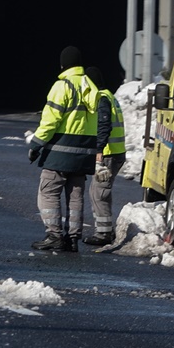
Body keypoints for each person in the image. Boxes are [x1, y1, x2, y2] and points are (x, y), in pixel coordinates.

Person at [29, 45, 101, 252]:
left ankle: (54, 235)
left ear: (63, 64)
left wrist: (36, 144)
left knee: (49, 191)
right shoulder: (91, 86)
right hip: (84, 153)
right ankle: (72, 239)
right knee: (75, 195)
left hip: (60, 151)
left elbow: (50, 120)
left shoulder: (62, 86)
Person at [82, 82, 126, 248]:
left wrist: (98, 149)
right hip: (115, 151)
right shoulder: (110, 96)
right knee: (100, 191)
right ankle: (105, 229)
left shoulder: (101, 98)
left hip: (108, 153)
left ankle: (103, 233)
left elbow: (103, 125)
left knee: (98, 193)